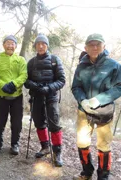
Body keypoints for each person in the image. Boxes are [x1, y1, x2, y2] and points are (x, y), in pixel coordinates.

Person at [72, 33, 121, 180]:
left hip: (104, 111)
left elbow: (119, 87)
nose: (94, 47)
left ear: (103, 46)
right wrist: (83, 101)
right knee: (82, 143)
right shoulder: (81, 66)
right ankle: (87, 173)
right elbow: (76, 87)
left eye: (98, 44)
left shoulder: (114, 65)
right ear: (85, 47)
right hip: (84, 111)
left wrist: (99, 100)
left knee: (104, 145)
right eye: (91, 45)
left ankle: (103, 177)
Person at [24, 34, 65, 167]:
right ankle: (45, 147)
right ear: (35, 46)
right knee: (39, 122)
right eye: (38, 44)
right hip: (36, 96)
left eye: (43, 43)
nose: (41, 46)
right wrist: (34, 86)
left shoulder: (55, 60)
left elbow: (61, 80)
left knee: (54, 124)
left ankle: (57, 152)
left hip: (51, 97)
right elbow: (26, 80)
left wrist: (49, 88)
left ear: (47, 45)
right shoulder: (31, 62)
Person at [0, 35, 27, 155]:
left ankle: (15, 144)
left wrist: (13, 84)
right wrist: (3, 85)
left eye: (12, 43)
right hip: (2, 97)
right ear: (4, 45)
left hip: (17, 97)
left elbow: (24, 75)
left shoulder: (21, 60)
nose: (10, 45)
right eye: (8, 43)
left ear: (16, 46)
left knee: (16, 122)